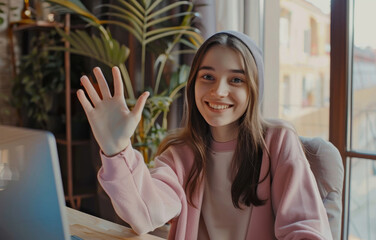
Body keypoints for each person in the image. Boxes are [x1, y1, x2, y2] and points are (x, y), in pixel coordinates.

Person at [77, 31, 333, 240]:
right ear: (193, 85)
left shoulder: (278, 141)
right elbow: (146, 214)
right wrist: (117, 148)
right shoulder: (179, 154)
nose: (218, 91)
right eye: (207, 76)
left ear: (254, 89)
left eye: (236, 80)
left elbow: (305, 228)